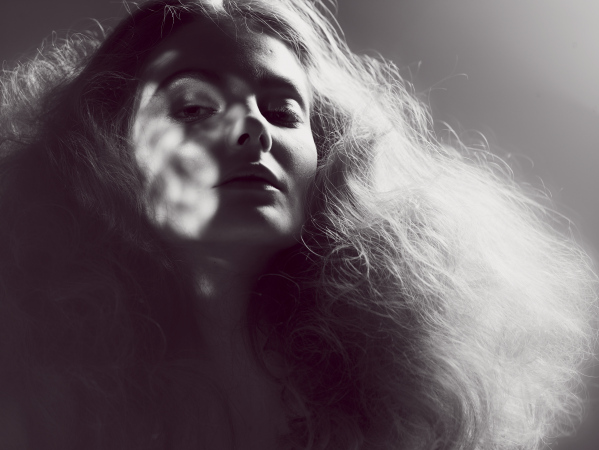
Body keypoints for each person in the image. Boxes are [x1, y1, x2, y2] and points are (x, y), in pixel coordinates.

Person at [0, 0, 596, 449]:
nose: (254, 128)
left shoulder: (400, 397)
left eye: (283, 110)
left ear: (324, 156)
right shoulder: (29, 387)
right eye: (194, 107)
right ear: (106, 149)